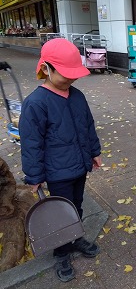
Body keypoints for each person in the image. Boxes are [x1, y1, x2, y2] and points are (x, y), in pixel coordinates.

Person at [19, 38, 102, 282]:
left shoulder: (76, 96)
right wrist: (34, 176)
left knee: (76, 205)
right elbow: (31, 143)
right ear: (46, 68)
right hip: (57, 172)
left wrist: (94, 152)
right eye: (65, 75)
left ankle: (75, 238)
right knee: (59, 213)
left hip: (79, 166)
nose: (71, 80)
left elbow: (88, 126)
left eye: (74, 75)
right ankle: (61, 252)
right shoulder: (36, 104)